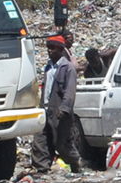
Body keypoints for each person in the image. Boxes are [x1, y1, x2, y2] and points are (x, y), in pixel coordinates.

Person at [30, 35, 83, 173]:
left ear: (60, 49)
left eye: (52, 48)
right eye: (48, 48)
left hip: (60, 111)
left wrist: (64, 108)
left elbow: (70, 91)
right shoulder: (48, 68)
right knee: (41, 140)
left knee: (61, 143)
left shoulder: (68, 68)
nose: (49, 51)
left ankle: (75, 161)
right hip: (46, 109)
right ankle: (42, 168)